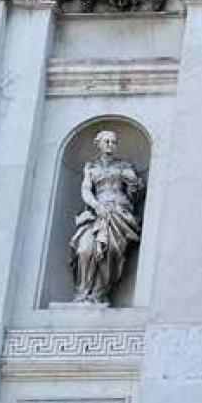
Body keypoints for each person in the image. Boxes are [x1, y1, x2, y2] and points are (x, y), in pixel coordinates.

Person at [70, 130, 145, 304]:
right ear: (99, 143)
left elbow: (135, 192)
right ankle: (82, 292)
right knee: (84, 249)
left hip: (119, 212)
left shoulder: (124, 166)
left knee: (111, 251)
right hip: (97, 212)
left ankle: (99, 292)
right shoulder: (91, 167)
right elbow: (86, 190)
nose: (110, 145)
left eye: (113, 142)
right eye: (107, 141)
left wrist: (134, 183)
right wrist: (96, 206)